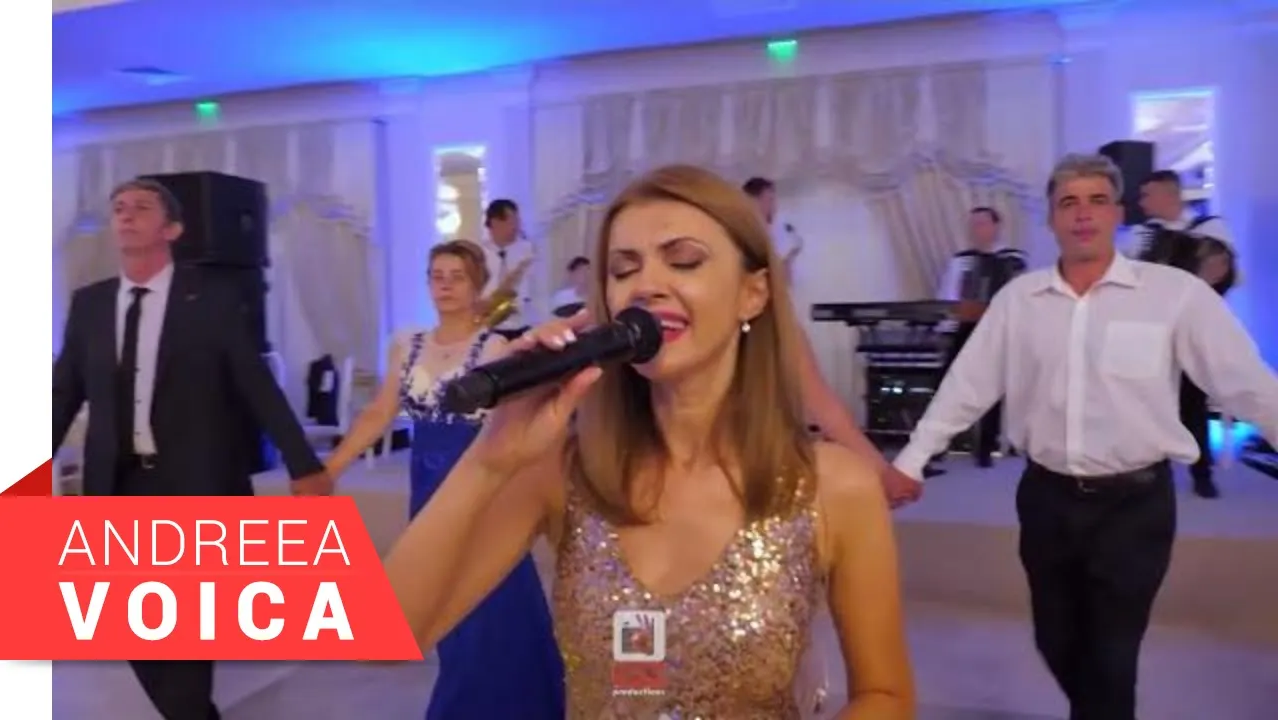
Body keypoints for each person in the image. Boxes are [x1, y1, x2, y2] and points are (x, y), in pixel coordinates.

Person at [382, 165, 916, 719]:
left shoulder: (833, 485)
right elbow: (387, 636)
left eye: (683, 261)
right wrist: (488, 460)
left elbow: (886, 696)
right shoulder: (567, 472)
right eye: (623, 269)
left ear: (752, 293)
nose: (646, 286)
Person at [892, 153, 1278, 720]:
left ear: (1117, 214)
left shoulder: (1173, 294)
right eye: (1068, 203)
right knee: (1055, 639)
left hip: (1135, 507)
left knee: (1113, 656)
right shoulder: (1019, 300)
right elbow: (967, 385)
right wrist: (912, 459)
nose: (1082, 214)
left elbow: (1247, 383)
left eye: (1097, 201)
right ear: (1051, 218)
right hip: (1046, 500)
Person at [51, 178, 330, 720]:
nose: (126, 215)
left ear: (172, 229)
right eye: (118, 208)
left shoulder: (213, 299)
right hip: (117, 487)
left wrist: (304, 465)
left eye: (141, 207)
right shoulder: (90, 304)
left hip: (194, 483)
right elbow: (64, 396)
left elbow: (256, 386)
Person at [324, 239, 564, 720]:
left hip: (482, 486)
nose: (445, 285)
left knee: (493, 604)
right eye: (437, 276)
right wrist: (331, 469)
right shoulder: (407, 345)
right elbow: (379, 413)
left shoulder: (493, 347)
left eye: (457, 277)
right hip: (427, 486)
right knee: (441, 604)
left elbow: (516, 425)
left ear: (477, 286)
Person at [742, 176, 920, 505]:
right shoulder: (745, 239)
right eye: (769, 198)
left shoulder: (779, 327)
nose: (773, 204)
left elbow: (824, 404)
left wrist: (883, 473)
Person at [1132, 170, 1238, 498]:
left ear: (1169, 195)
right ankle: (1152, 471)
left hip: (1194, 330)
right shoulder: (1143, 236)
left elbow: (1226, 277)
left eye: (1148, 195)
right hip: (1153, 332)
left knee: (1192, 402)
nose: (1142, 203)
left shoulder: (1210, 229)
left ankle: (1201, 472)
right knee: (1150, 401)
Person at [935, 206, 1027, 467]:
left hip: (1000, 331)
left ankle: (987, 446)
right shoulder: (961, 260)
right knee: (948, 387)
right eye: (974, 224)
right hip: (965, 328)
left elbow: (1022, 297)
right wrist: (947, 325)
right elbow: (949, 295)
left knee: (992, 390)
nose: (978, 229)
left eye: (983, 223)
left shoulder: (1014, 258)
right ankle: (939, 443)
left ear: (997, 226)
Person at [478, 199, 536, 340]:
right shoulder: (479, 253)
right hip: (488, 324)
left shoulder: (528, 250)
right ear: (495, 222)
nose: (517, 226)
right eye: (512, 221)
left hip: (522, 324)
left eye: (517, 220)